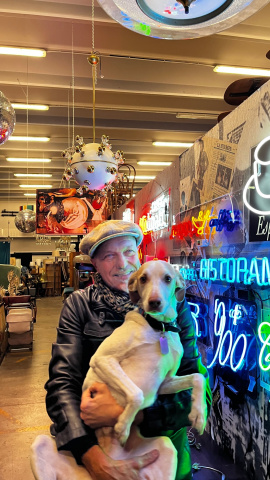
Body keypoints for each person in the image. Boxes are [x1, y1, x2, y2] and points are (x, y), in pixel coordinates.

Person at [45, 220, 212, 480]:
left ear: (139, 254)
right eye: (109, 256)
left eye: (128, 252)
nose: (122, 264)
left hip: (163, 454)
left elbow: (196, 389)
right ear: (96, 264)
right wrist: (92, 457)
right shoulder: (79, 305)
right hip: (101, 450)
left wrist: (138, 414)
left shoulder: (173, 308)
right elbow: (61, 386)